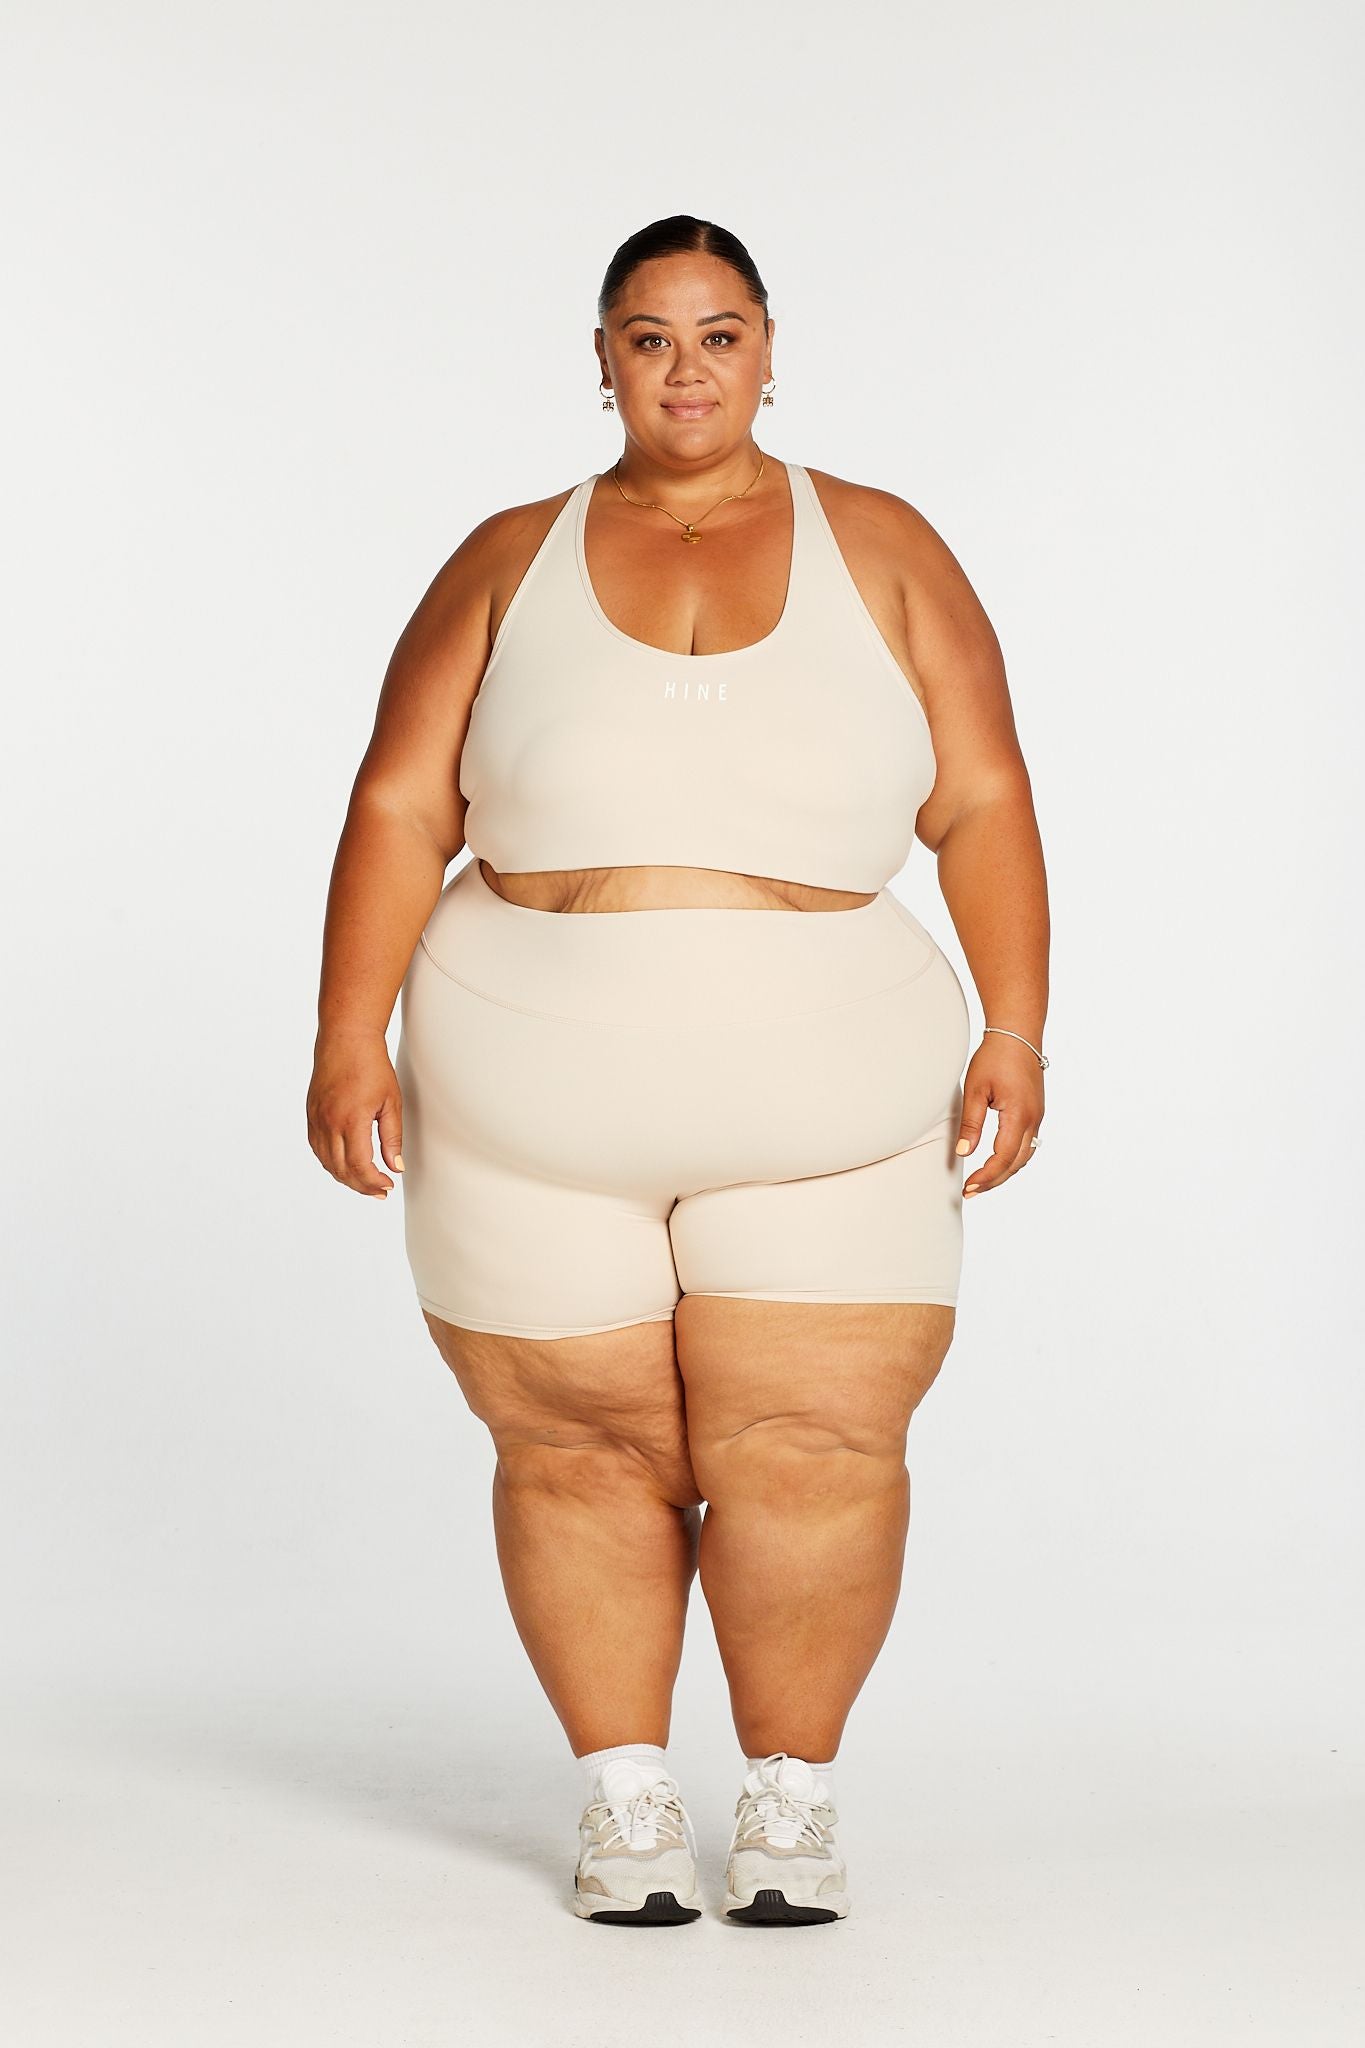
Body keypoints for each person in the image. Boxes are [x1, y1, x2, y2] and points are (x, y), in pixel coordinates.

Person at [307, 214, 1050, 1927]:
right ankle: (625, 1799)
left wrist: (1014, 1024)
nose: (686, 368)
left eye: (719, 335)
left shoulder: (885, 547)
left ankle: (788, 1800)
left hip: (828, 1097)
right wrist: (346, 1029)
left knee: (816, 1442)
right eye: (649, 337)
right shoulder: (507, 557)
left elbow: (984, 796)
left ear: (769, 351)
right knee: (575, 1448)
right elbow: (400, 803)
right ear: (602, 362)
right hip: (524, 1098)